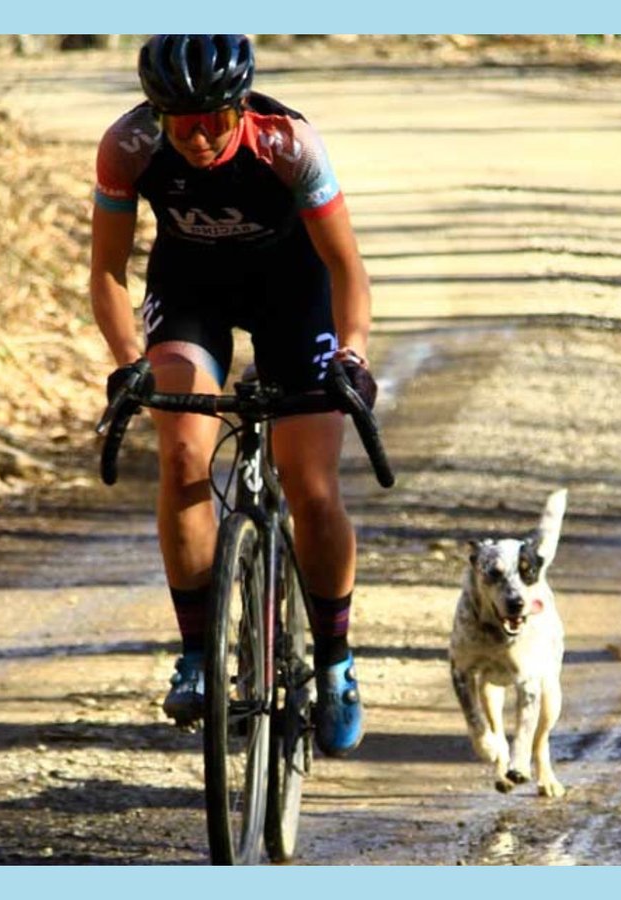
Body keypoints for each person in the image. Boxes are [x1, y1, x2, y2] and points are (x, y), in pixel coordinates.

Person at [89, 34, 376, 757]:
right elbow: (107, 273)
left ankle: (336, 663)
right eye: (178, 119)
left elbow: (346, 268)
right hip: (191, 296)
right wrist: (129, 362)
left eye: (214, 116)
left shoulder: (287, 144)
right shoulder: (129, 146)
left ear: (240, 104)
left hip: (295, 294)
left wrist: (353, 354)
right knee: (184, 457)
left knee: (311, 485)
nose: (198, 136)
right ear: (156, 112)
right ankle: (196, 651)